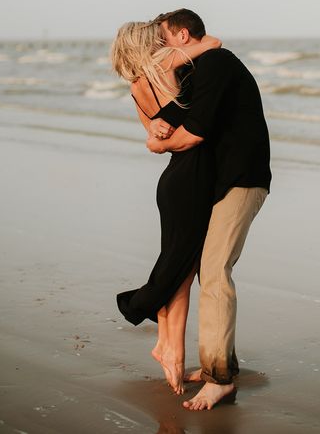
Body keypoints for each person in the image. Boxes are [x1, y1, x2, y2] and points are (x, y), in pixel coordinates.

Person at [146, 9, 271, 411]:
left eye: (165, 40)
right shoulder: (205, 66)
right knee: (209, 270)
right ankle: (218, 363)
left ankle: (220, 380)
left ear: (182, 35)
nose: (163, 49)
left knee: (215, 271)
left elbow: (195, 132)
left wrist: (162, 143)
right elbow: (184, 114)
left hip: (242, 179)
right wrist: (160, 126)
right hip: (223, 182)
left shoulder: (217, 63)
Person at [110, 20, 221, 395]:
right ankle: (167, 345)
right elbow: (214, 42)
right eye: (155, 38)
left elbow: (157, 134)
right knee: (181, 269)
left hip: (174, 179)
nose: (162, 41)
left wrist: (160, 131)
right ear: (147, 44)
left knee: (180, 267)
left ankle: (171, 349)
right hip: (190, 177)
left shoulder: (135, 85)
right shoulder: (165, 63)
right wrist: (175, 49)